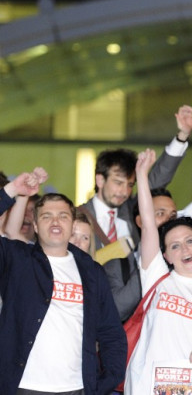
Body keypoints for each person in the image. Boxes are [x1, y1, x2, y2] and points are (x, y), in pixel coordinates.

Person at [0, 169, 126, 395]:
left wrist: (104, 383)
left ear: (71, 226)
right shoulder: (17, 259)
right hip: (22, 386)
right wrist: (12, 190)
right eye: (46, 216)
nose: (55, 221)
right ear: (36, 226)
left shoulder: (92, 272)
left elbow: (111, 333)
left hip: (76, 388)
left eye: (63, 216)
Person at [124, 149, 192, 395]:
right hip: (145, 387)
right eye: (174, 245)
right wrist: (142, 174)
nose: (184, 248)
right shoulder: (158, 277)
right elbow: (149, 223)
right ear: (165, 256)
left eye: (190, 241)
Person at [80, 104, 192, 251]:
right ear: (100, 180)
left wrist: (182, 135)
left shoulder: (132, 211)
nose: (124, 191)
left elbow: (159, 177)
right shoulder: (77, 215)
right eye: (118, 182)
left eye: (130, 185)